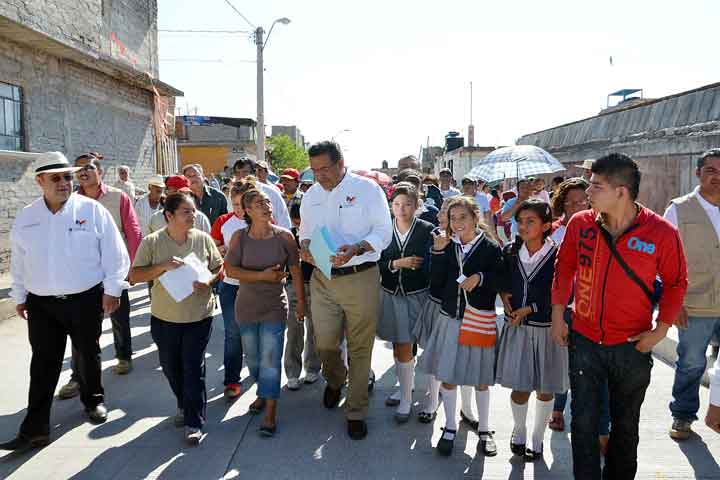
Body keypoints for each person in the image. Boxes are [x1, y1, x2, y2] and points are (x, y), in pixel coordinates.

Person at [551, 153, 688, 480]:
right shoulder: (581, 223)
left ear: (621, 192)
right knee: (583, 423)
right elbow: (564, 267)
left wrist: (660, 331)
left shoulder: (661, 232)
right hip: (584, 340)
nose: (588, 192)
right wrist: (558, 314)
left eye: (596, 186)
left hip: (632, 345)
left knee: (625, 427)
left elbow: (676, 282)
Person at [1, 152, 129, 451]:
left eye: (67, 177)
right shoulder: (27, 216)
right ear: (40, 182)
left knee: (87, 353)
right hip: (41, 304)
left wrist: (112, 289)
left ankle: (93, 400)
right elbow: (19, 261)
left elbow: (115, 253)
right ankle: (35, 429)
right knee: (43, 364)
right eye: (56, 178)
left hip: (84, 299)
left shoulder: (91, 210)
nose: (64, 183)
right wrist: (19, 295)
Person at [298, 141, 392, 440]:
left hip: (360, 277)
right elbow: (305, 234)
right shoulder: (311, 195)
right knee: (325, 343)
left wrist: (357, 248)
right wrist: (306, 249)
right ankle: (336, 379)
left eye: (325, 169)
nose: (319, 176)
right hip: (323, 279)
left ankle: (355, 411)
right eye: (314, 170)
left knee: (360, 347)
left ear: (341, 164)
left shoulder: (367, 190)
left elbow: (383, 232)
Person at [129, 192, 222, 445]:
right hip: (164, 317)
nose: (193, 215)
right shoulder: (152, 242)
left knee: (193, 368)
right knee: (171, 367)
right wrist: (162, 266)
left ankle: (194, 421)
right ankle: (184, 402)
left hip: (199, 316)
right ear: (169, 215)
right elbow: (135, 276)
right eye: (186, 212)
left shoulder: (202, 239)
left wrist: (209, 281)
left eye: (193, 211)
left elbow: (218, 267)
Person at [418, 196, 503, 456]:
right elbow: (435, 283)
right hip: (450, 318)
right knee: (448, 376)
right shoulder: (446, 245)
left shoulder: (490, 247)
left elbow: (501, 279)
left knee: (481, 379)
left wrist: (481, 277)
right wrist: (438, 253)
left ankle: (485, 429)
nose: (457, 223)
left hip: (479, 319)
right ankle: (450, 426)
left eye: (462, 217)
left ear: (476, 217)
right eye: (452, 218)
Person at [224, 187, 305, 437]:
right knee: (254, 360)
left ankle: (270, 412)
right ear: (247, 211)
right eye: (259, 203)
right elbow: (230, 270)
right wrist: (262, 276)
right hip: (246, 307)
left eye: (268, 202)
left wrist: (301, 303)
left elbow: (296, 271)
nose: (267, 206)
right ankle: (263, 392)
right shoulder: (239, 237)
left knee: (270, 359)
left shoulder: (284, 237)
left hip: (274, 306)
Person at [59, 153, 140, 396]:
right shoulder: (69, 200)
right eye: (78, 169)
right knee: (80, 328)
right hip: (83, 273)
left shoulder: (118, 197)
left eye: (88, 167)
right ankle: (77, 376)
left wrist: (132, 267)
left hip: (114, 268)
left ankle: (124, 356)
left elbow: (133, 231)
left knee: (119, 316)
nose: (83, 172)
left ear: (100, 172)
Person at [496, 200, 568, 461]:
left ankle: (538, 437)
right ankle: (519, 429)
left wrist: (530, 308)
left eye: (531, 221)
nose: (523, 226)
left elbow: (561, 292)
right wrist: (504, 297)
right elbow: (502, 280)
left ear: (546, 226)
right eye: (520, 221)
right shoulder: (510, 251)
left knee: (545, 388)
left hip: (547, 329)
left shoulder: (558, 255)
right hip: (518, 328)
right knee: (520, 386)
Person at [664, 148, 720, 440]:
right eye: (711, 171)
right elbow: (664, 260)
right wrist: (673, 303)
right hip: (694, 304)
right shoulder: (679, 209)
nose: (717, 177)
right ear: (698, 173)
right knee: (691, 363)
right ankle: (683, 415)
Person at [376, 184, 433, 423]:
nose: (402, 209)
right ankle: (405, 391)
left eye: (408, 204)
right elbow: (375, 261)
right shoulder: (383, 229)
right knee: (399, 344)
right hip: (391, 293)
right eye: (397, 204)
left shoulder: (427, 230)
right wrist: (396, 264)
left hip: (418, 294)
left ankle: (419, 398)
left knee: (416, 344)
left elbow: (433, 262)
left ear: (417, 205)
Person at [210, 179, 256, 400]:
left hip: (257, 287)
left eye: (242, 204)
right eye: (234, 204)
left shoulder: (263, 220)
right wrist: (219, 250)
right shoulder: (223, 222)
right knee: (233, 333)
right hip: (230, 286)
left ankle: (258, 372)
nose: (238, 209)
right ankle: (231, 380)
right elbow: (212, 249)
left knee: (256, 332)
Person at [283, 201, 322, 390]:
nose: (299, 225)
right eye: (296, 221)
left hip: (316, 285)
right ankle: (292, 372)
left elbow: (326, 263)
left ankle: (313, 368)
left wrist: (311, 256)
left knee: (315, 329)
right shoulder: (287, 235)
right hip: (292, 286)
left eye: (302, 221)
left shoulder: (319, 235)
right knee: (294, 329)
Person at [232, 158, 292, 229]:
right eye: (237, 173)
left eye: (245, 172)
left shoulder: (271, 192)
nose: (241, 176)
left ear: (254, 173)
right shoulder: (232, 194)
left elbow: (284, 222)